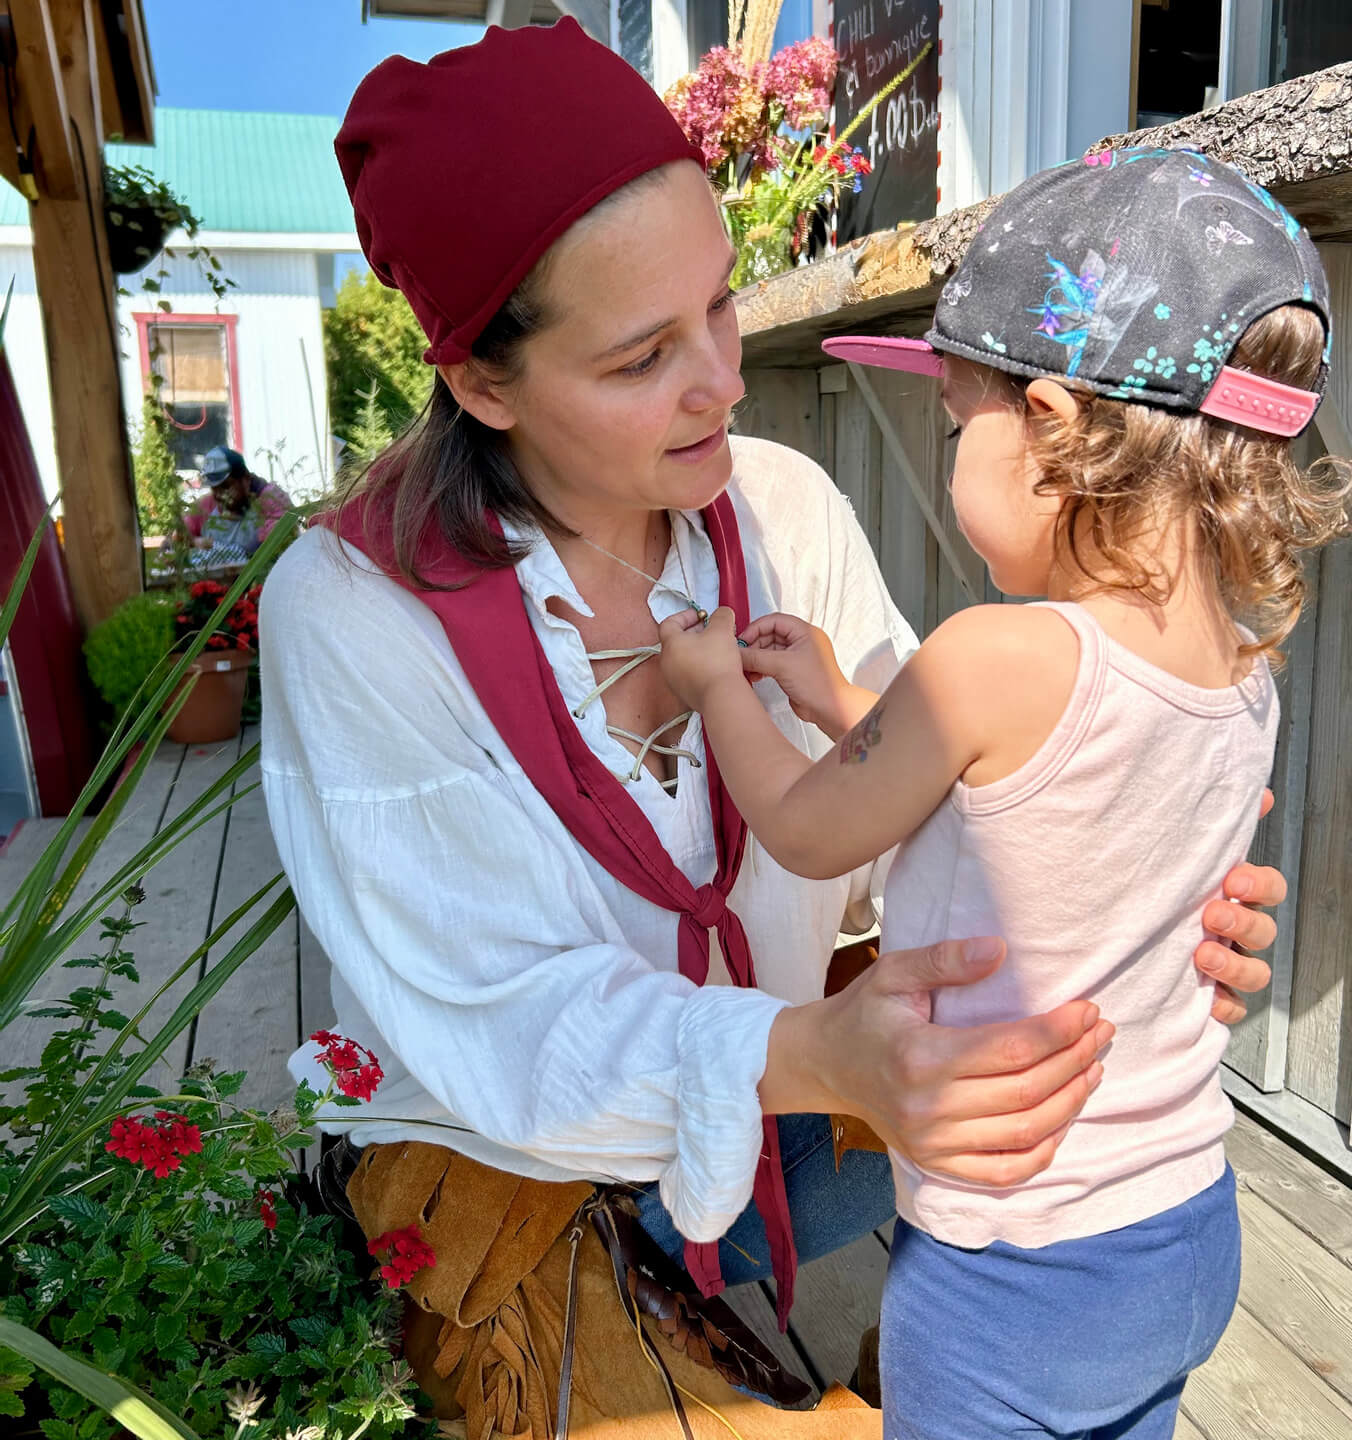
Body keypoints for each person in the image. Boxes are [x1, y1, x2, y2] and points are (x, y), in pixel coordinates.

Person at [258, 24, 1287, 1437]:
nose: (725, 385)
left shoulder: (783, 506)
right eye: (640, 360)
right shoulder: (354, 608)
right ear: (485, 384)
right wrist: (811, 1056)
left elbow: (938, 802)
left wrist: (1148, 883)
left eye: (723, 309)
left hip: (801, 1123)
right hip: (525, 1166)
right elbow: (495, 1016)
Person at [658, 148, 1352, 1439]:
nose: (951, 454)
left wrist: (721, 693)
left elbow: (813, 832)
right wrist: (841, 704)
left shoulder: (992, 655)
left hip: (1011, 1266)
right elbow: (1033, 796)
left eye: (955, 422)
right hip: (1182, 1228)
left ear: (1050, 425)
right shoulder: (1243, 671)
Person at [182, 445, 293, 561]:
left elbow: (283, 545)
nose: (219, 494)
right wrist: (194, 542)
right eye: (215, 488)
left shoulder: (271, 499)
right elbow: (178, 538)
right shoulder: (206, 505)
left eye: (226, 486)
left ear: (245, 479)